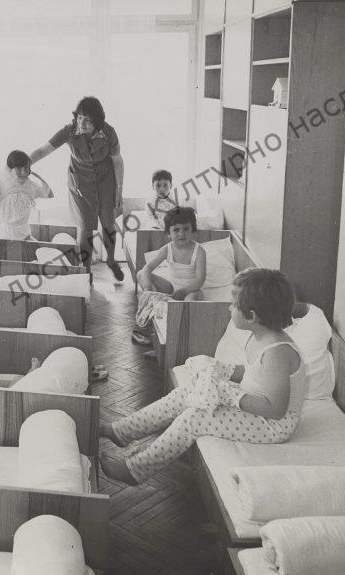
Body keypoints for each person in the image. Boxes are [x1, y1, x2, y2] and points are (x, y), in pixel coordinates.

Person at [100, 269, 307, 485]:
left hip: (273, 424)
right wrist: (222, 369)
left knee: (195, 417)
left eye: (233, 305)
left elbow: (275, 410)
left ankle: (136, 470)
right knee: (188, 390)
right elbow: (254, 372)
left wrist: (229, 395)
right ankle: (122, 431)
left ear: (252, 316)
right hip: (256, 405)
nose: (229, 307)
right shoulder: (259, 337)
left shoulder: (277, 353)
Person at [29, 96, 124, 282]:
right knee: (85, 228)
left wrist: (119, 189)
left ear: (97, 121)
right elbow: (43, 150)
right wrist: (23, 163)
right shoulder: (69, 131)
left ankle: (112, 260)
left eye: (88, 119)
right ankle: (85, 270)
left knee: (108, 223)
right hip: (80, 184)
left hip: (106, 181)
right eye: (80, 117)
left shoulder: (109, 132)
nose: (82, 123)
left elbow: (118, 161)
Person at [136, 207, 207, 302]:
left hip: (191, 289)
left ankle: (184, 306)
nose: (181, 234)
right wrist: (147, 288)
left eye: (186, 229)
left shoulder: (199, 251)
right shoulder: (166, 249)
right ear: (168, 233)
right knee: (141, 274)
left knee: (190, 299)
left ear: (193, 231)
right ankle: (152, 296)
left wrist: (184, 291)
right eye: (176, 230)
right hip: (171, 288)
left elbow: (200, 279)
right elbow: (148, 268)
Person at [0, 150, 53, 241]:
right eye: (18, 169)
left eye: (27, 168)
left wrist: (37, 176)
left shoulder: (31, 186)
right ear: (10, 169)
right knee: (2, 249)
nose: (23, 172)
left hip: (24, 233)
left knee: (38, 247)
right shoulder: (2, 182)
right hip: (5, 233)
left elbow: (50, 194)